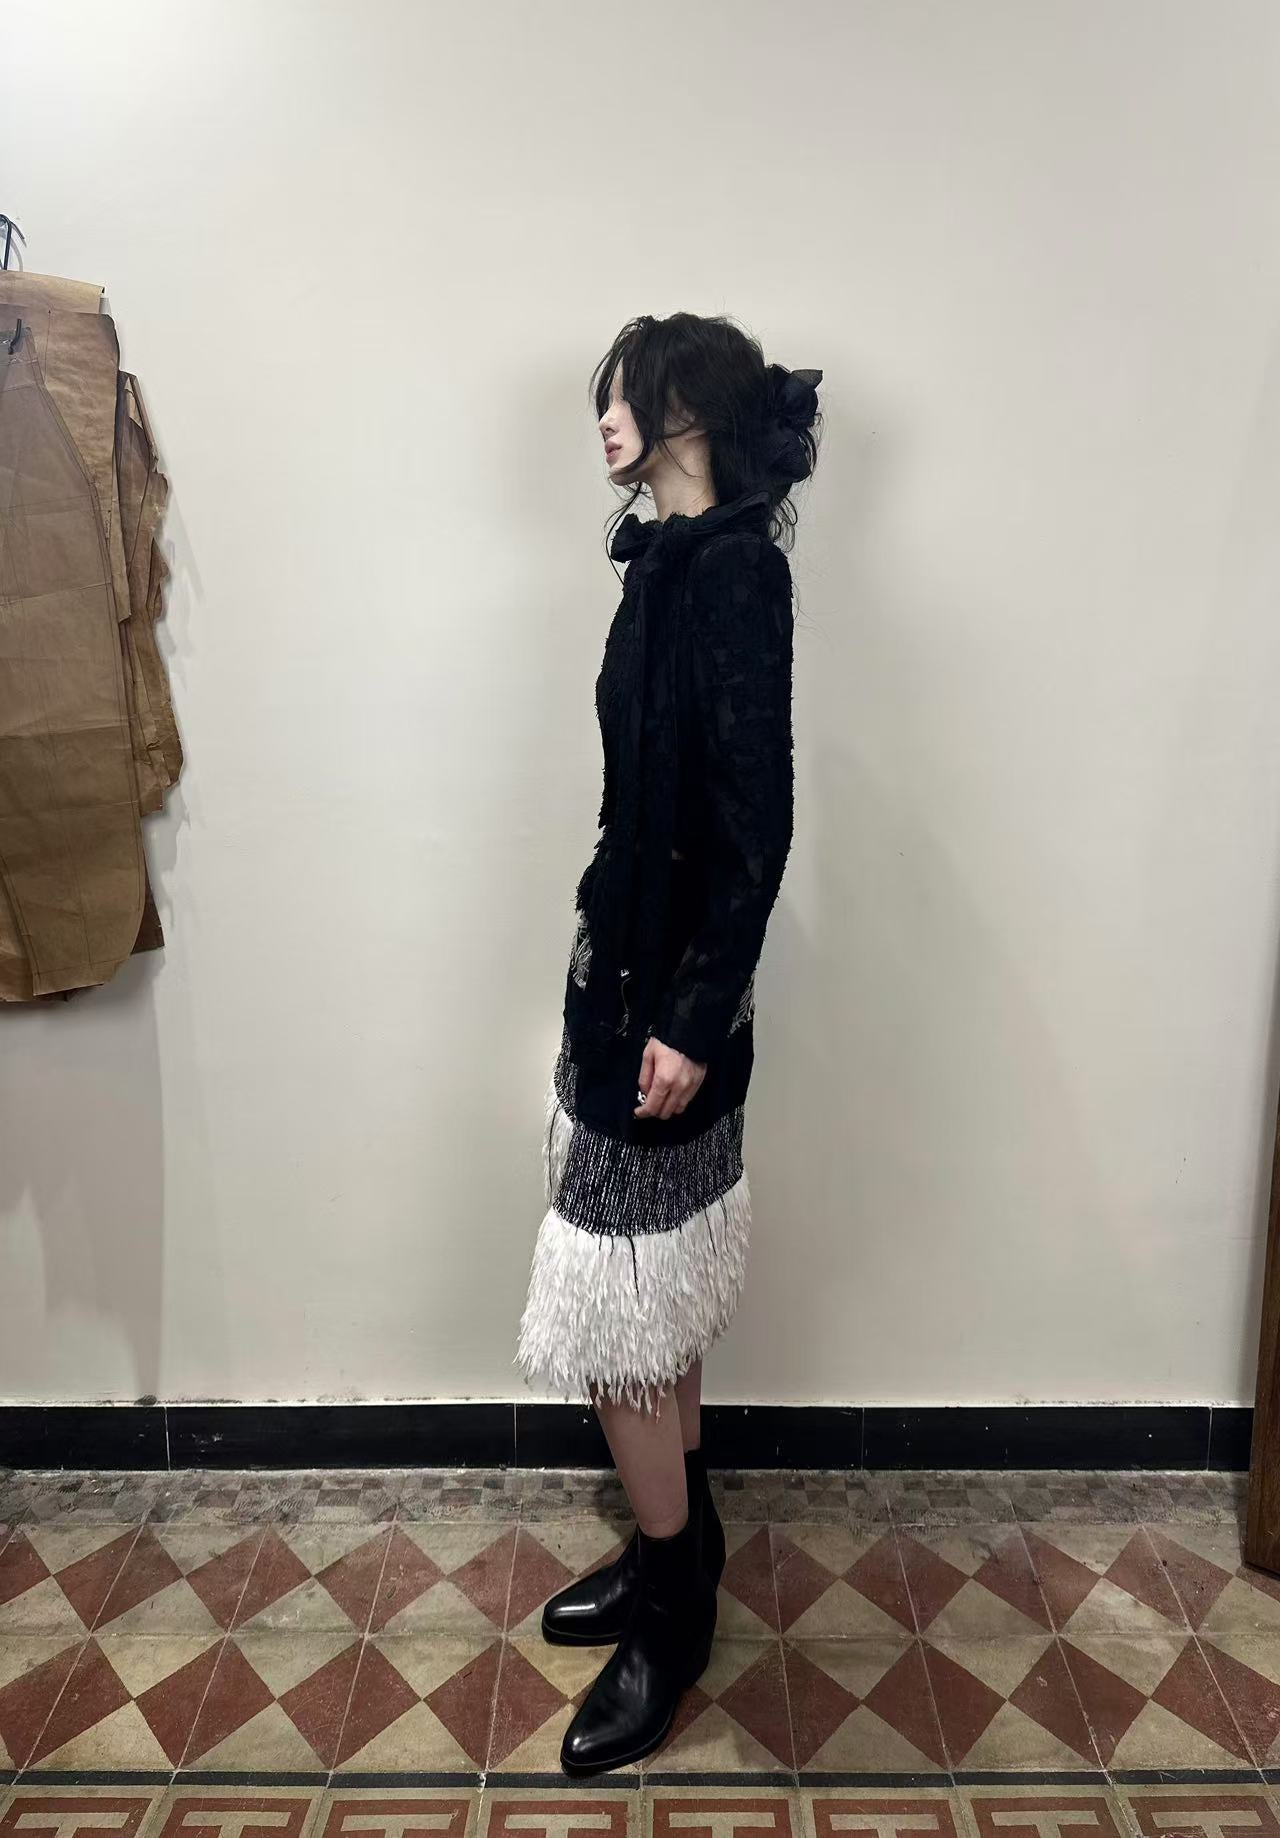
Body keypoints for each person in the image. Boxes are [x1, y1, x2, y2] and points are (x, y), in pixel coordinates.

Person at [515, 311, 822, 1774]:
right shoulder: (660, 563)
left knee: (625, 1311)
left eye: (623, 397)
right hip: (622, 982)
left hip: (674, 1007)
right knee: (656, 1295)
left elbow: (756, 828)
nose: (604, 420)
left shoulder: (738, 572)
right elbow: (636, 806)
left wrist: (692, 1022)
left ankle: (675, 1610)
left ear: (686, 407)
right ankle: (672, 1553)